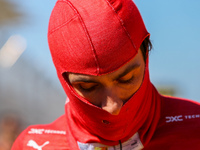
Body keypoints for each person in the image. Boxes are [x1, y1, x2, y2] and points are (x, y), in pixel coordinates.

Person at [12, 0, 200, 149]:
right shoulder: (35, 145)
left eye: (126, 79)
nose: (112, 107)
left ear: (146, 56)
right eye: (88, 87)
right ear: (65, 82)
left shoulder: (194, 131)